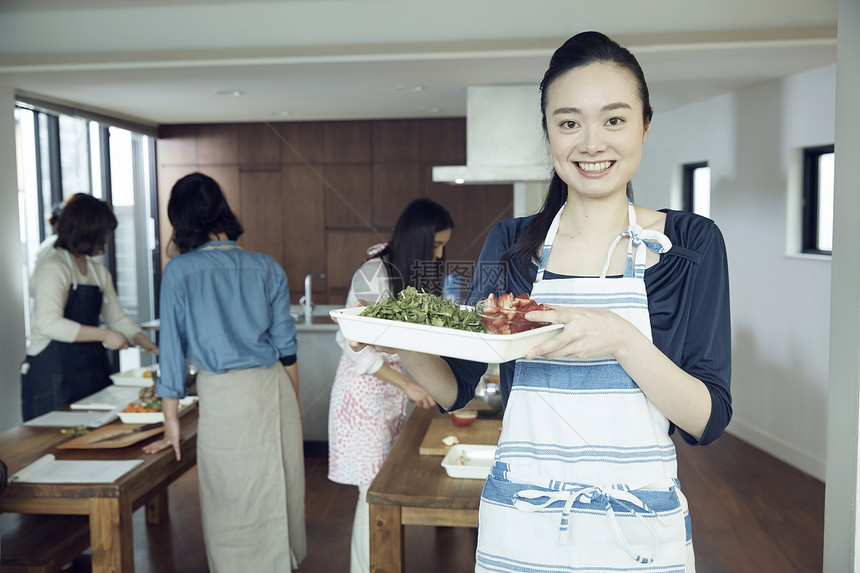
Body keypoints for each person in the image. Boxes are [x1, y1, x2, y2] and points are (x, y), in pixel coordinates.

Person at [352, 32, 732, 571]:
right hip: (521, 528)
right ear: (549, 133)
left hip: (639, 533)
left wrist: (622, 340)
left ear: (646, 125)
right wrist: (400, 337)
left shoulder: (690, 244)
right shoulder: (510, 244)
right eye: (570, 122)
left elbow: (708, 419)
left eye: (615, 120)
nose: (592, 143)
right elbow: (454, 388)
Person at [142, 172, 306, 571]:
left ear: (180, 221)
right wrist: (294, 404)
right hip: (272, 389)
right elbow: (286, 348)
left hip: (222, 397)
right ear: (223, 211)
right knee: (278, 491)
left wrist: (170, 425)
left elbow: (173, 353)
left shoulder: (179, 272)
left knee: (231, 501)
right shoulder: (266, 266)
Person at [328, 198, 451, 573]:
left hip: (392, 397)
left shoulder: (413, 274)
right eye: (435, 246)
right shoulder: (373, 273)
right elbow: (350, 342)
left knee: (384, 489)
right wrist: (408, 385)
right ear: (416, 240)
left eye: (445, 245)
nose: (441, 254)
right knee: (373, 497)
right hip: (363, 400)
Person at [20, 193, 158, 421]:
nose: (105, 241)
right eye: (102, 235)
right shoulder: (53, 267)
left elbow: (117, 318)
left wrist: (140, 339)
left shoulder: (97, 271)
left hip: (90, 373)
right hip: (52, 376)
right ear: (87, 232)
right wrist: (104, 334)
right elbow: (48, 323)